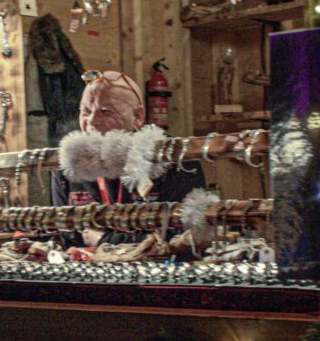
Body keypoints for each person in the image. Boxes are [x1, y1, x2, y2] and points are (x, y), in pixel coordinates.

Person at [50, 69, 204, 247]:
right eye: (85, 111)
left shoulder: (174, 160)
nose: (92, 121)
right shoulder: (66, 165)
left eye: (106, 112)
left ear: (138, 117)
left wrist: (105, 241)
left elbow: (185, 238)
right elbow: (65, 236)